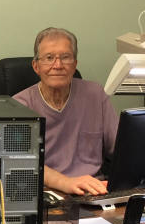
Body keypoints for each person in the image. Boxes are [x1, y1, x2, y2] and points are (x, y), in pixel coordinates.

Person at [13, 27, 119, 196]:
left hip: (94, 192)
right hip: (45, 194)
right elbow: (22, 163)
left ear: (75, 64)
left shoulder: (96, 95)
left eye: (65, 57)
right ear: (36, 66)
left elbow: (120, 150)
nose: (58, 65)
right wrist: (66, 183)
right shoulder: (19, 106)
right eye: (49, 58)